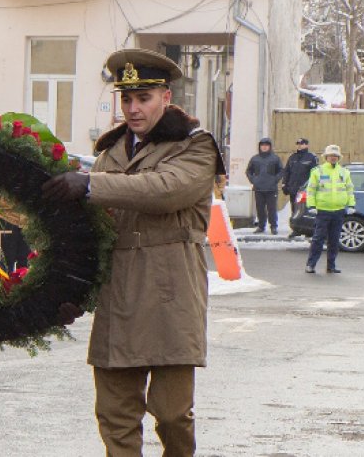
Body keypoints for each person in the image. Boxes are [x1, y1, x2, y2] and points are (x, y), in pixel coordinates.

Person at [42, 48, 224, 456]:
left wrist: (90, 184)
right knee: (116, 415)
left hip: (169, 291)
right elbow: (90, 231)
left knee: (173, 413)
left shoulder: (194, 147)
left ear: (166, 97)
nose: (133, 108)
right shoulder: (110, 153)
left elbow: (164, 190)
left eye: (143, 98)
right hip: (119, 292)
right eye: (126, 98)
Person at [304, 144, 355, 274]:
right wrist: (312, 206)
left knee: (334, 240)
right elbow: (310, 190)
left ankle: (331, 266)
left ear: (339, 158)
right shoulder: (318, 171)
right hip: (322, 211)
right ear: (326, 157)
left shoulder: (344, 172)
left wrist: (351, 205)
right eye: (331, 155)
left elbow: (349, 190)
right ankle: (311, 265)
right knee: (318, 240)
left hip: (338, 211)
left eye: (335, 156)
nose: (333, 158)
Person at [245, 137, 283, 234]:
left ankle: (273, 227)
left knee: (272, 209)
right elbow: (248, 171)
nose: (264, 147)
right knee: (260, 209)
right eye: (262, 145)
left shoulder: (275, 158)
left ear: (270, 147)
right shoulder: (255, 159)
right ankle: (261, 226)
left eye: (266, 145)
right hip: (259, 188)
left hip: (271, 189)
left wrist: (275, 180)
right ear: (260, 147)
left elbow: (281, 171)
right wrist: (254, 180)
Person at [282, 137, 318, 237]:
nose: (299, 145)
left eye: (301, 144)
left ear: (306, 145)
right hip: (293, 189)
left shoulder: (311, 157)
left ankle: (308, 229)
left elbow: (314, 173)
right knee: (295, 210)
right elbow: (287, 172)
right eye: (298, 144)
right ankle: (296, 229)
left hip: (305, 190)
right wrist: (285, 184)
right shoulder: (292, 157)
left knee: (305, 211)